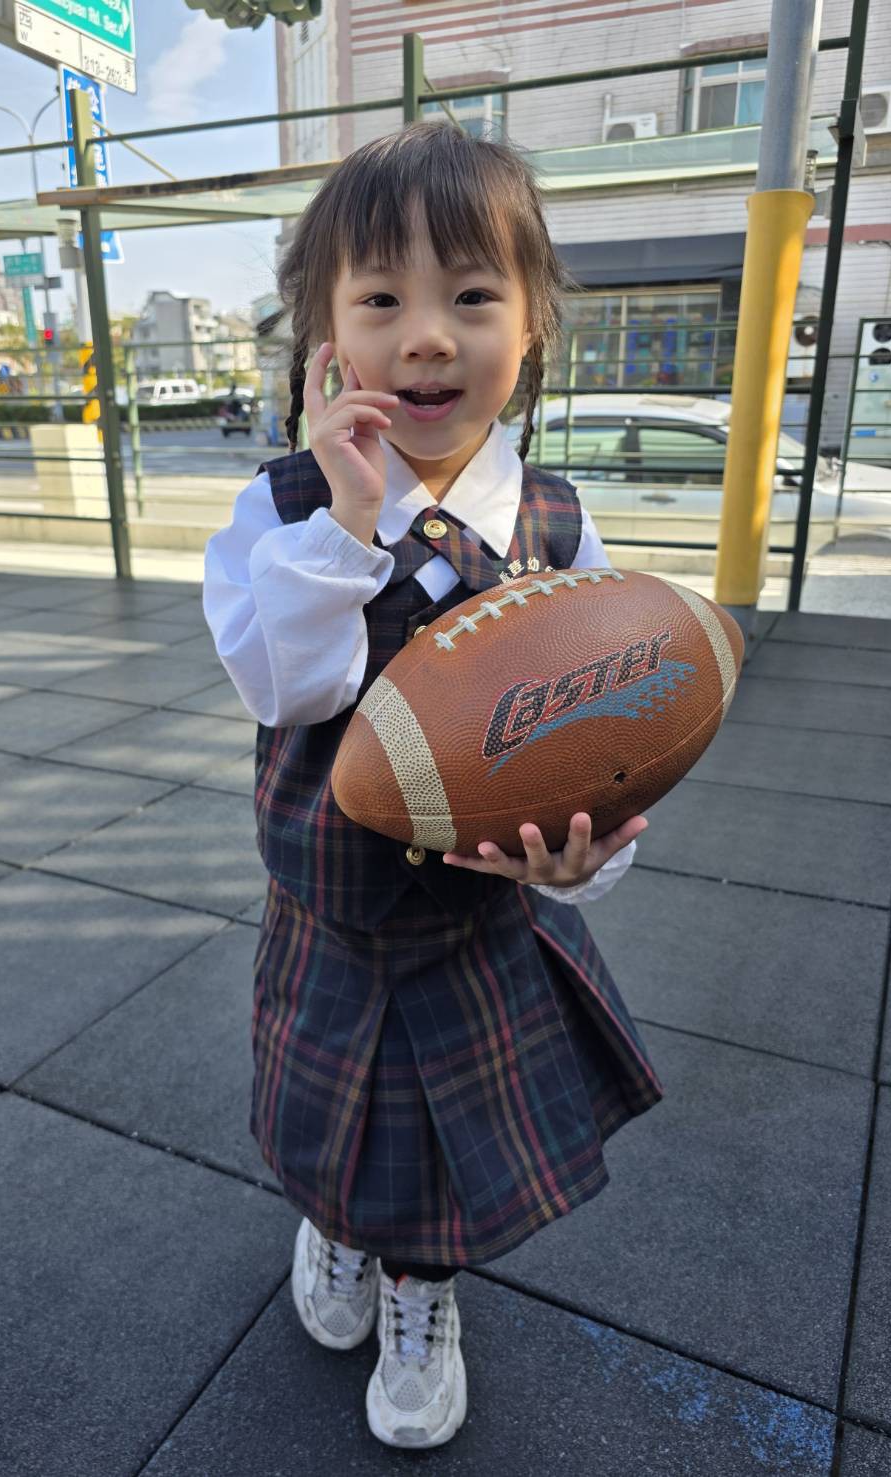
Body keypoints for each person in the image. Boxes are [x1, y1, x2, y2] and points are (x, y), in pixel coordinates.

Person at [203, 121, 663, 1450]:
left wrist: (589, 853)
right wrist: (348, 523)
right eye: (380, 301)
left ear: (533, 324)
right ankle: (338, 1234)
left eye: (470, 296)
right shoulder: (280, 510)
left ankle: (421, 1293)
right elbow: (286, 687)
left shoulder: (559, 527)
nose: (426, 339)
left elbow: (608, 729)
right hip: (334, 916)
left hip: (476, 924)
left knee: (441, 1158)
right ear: (323, 336)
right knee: (333, 1131)